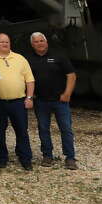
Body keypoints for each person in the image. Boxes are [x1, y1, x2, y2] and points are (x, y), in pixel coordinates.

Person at [26, 32, 78, 169]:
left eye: (41, 40)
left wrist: (67, 93)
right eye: (36, 42)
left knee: (66, 129)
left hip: (60, 101)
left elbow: (71, 75)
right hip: (41, 101)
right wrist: (30, 95)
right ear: (32, 45)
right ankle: (47, 156)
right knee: (43, 129)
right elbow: (25, 79)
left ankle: (70, 157)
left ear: (46, 41)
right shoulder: (28, 59)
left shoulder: (59, 56)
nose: (39, 43)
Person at [0, 32, 35, 171]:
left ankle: (25, 158)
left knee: (22, 130)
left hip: (18, 102)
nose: (5, 44)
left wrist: (29, 97)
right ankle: (2, 158)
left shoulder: (20, 58)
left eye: (7, 41)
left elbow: (30, 79)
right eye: (2, 41)